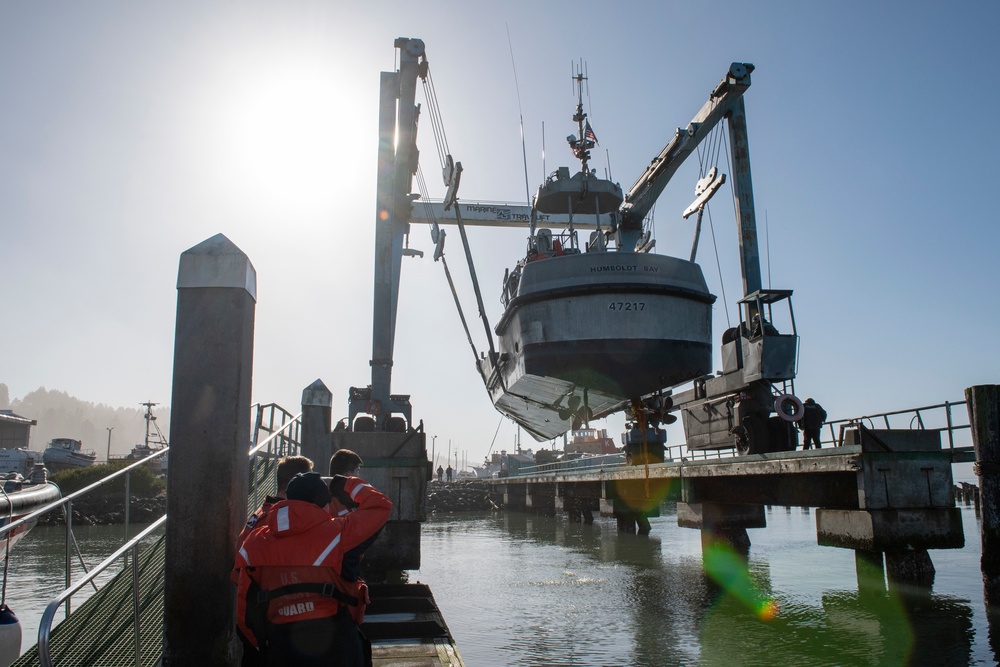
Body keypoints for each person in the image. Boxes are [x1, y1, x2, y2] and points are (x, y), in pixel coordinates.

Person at [234, 471, 392, 667]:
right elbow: (380, 504)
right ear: (325, 503)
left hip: (280, 644)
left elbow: (243, 609)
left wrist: (263, 646)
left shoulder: (255, 541)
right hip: (336, 643)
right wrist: (344, 482)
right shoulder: (340, 534)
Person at [235, 456, 312, 667]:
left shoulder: (258, 515)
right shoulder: (286, 523)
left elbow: (238, 571)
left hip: (255, 622)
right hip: (275, 626)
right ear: (299, 482)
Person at [328, 449, 363, 517]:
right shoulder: (329, 501)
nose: (359, 476)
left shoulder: (353, 498)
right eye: (357, 471)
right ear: (348, 475)